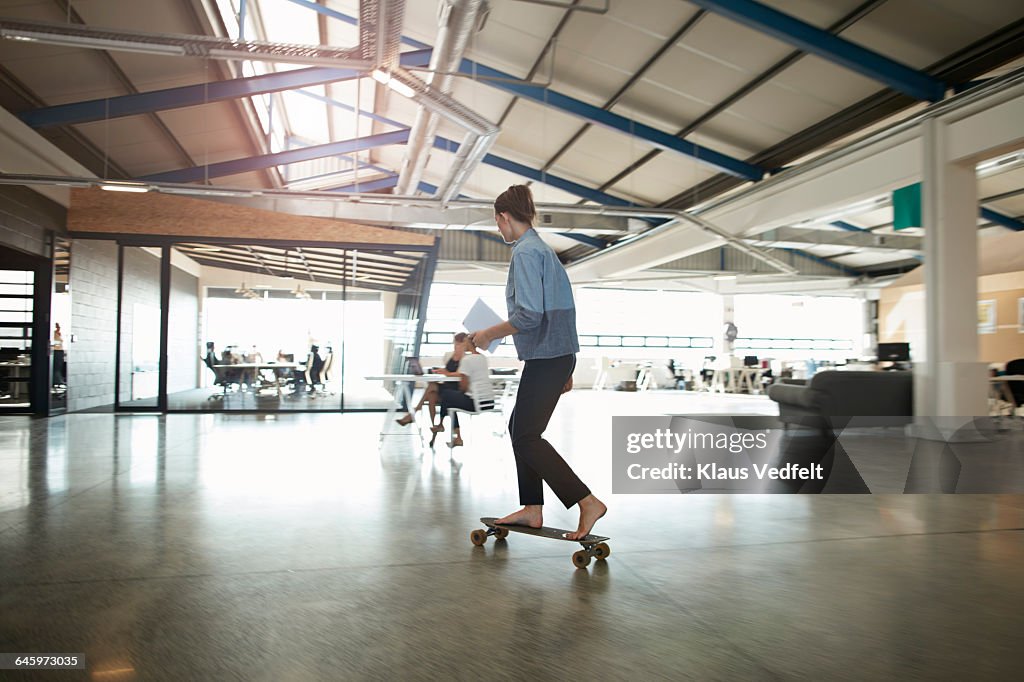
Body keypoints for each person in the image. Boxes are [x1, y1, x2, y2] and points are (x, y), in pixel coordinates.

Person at [469, 184, 606, 541]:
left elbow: (529, 316)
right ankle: (532, 508)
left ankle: (585, 500)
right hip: (553, 356)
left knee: (526, 435)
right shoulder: (543, 251)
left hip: (548, 357)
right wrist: (568, 366)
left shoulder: (526, 253)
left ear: (503, 216)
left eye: (498, 223)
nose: (499, 230)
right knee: (520, 429)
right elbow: (563, 311)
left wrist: (486, 334)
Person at [396, 333, 468, 429]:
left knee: (432, 386)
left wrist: (446, 372)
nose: (456, 347)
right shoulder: (449, 355)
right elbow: (448, 371)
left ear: (464, 345)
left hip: (455, 390)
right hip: (445, 387)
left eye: (459, 344)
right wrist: (440, 371)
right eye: (455, 344)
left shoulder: (466, 359)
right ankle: (434, 425)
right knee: (431, 395)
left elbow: (459, 374)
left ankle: (414, 413)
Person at [432, 335, 493, 448]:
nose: (460, 345)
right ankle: (451, 433)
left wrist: (459, 390)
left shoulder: (467, 360)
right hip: (488, 402)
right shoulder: (483, 358)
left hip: (475, 403)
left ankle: (441, 425)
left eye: (463, 343)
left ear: (468, 344)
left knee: (446, 394)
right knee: (450, 399)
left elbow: (463, 386)